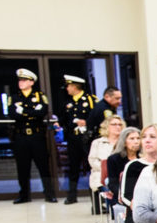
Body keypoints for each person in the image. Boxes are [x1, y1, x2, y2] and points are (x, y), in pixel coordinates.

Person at [8, 68, 57, 203]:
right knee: (23, 168)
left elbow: (41, 113)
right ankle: (24, 195)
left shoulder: (40, 96)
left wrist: (22, 111)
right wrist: (31, 111)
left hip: (37, 137)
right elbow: (12, 114)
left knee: (43, 167)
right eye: (20, 80)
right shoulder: (14, 97)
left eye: (24, 80)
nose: (21, 83)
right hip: (21, 137)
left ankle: (49, 194)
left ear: (31, 82)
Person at [60, 75, 98, 204]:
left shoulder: (90, 100)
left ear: (75, 86)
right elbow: (64, 120)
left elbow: (96, 118)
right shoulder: (68, 102)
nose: (67, 88)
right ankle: (72, 195)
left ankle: (94, 196)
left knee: (90, 166)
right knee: (73, 167)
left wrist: (86, 122)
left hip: (87, 139)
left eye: (69, 86)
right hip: (73, 139)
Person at [87, 115, 124, 212]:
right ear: (107, 127)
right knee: (110, 184)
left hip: (121, 174)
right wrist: (108, 168)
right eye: (114, 124)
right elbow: (92, 161)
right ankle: (115, 209)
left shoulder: (125, 142)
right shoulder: (97, 143)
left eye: (120, 124)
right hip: (102, 175)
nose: (118, 127)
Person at [106, 126, 141, 209]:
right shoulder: (113, 159)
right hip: (122, 195)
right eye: (132, 139)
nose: (136, 142)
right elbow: (113, 184)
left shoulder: (144, 158)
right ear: (124, 142)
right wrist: (126, 197)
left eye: (138, 138)